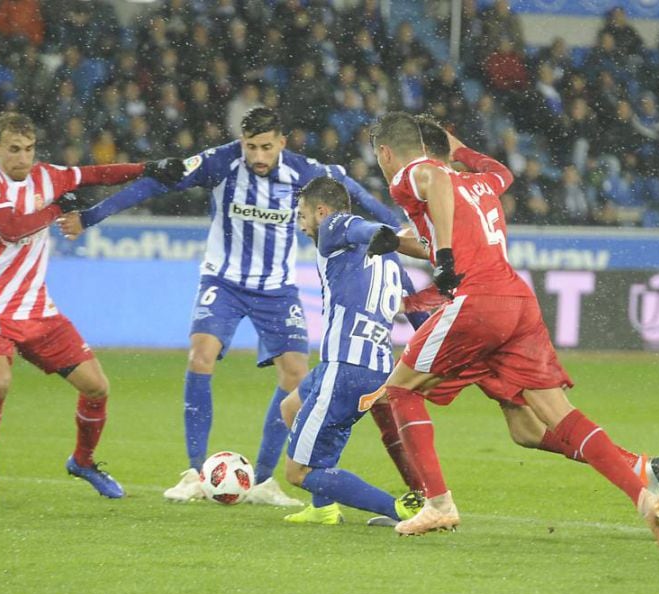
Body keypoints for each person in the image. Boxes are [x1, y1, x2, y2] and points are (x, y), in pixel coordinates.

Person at [369, 111, 659, 555]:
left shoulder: (415, 175)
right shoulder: (478, 184)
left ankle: (438, 503)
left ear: (385, 152)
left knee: (399, 391)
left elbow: (436, 187)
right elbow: (496, 176)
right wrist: (408, 236)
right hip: (517, 303)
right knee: (541, 420)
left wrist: (441, 258)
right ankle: (642, 490)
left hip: (476, 305)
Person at [58, 107, 404, 506]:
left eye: (266, 147)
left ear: (282, 143)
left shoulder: (304, 171)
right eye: (251, 146)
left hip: (276, 288)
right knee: (201, 356)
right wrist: (91, 216)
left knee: (295, 374)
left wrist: (399, 226)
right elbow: (155, 185)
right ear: (241, 142)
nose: (258, 156)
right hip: (223, 280)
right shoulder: (220, 162)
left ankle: (261, 480)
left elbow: (355, 194)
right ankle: (194, 471)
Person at [0, 111, 184, 502]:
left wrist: (149, 167)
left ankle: (83, 461)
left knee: (97, 387)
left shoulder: (47, 177)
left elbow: (98, 174)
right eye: (13, 150)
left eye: (29, 150)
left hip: (38, 311)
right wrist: (57, 208)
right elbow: (12, 228)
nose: (22, 158)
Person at [279, 176, 426, 525]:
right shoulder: (391, 260)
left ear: (321, 211)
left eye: (302, 216)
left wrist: (379, 233)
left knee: (297, 472)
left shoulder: (333, 227)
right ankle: (323, 508)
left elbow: (357, 227)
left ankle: (401, 511)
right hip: (372, 367)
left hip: (346, 368)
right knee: (291, 407)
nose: (301, 225)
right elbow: (419, 314)